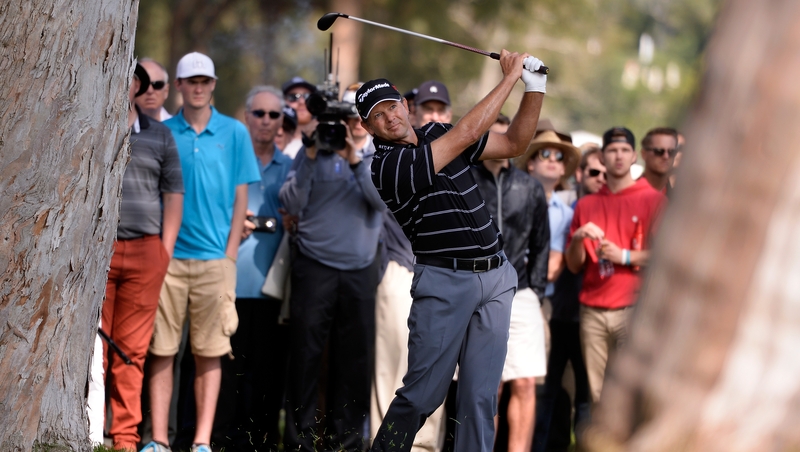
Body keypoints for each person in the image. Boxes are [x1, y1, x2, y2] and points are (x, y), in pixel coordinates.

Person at [359, 50, 547, 452]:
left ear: (404, 105)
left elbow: (515, 143)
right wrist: (510, 77)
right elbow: (462, 135)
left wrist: (535, 86)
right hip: (444, 284)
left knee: (480, 398)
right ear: (368, 126)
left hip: (495, 277)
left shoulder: (434, 132)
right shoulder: (386, 167)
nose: (389, 117)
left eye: (392, 106)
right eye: (377, 115)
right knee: (421, 396)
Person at [141, 52, 261, 452]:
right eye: (190, 81)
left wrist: (228, 256)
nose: (198, 87)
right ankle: (158, 439)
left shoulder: (235, 133)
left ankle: (201, 443)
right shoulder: (162, 132)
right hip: (169, 260)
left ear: (212, 85)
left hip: (215, 261)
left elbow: (241, 197)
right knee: (161, 350)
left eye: (204, 81)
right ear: (178, 86)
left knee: (210, 353)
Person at [279, 83, 386, 451]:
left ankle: (348, 443)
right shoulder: (315, 150)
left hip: (360, 270)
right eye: (352, 113)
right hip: (314, 268)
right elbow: (290, 202)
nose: (357, 120)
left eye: (364, 114)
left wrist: (355, 158)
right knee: (305, 358)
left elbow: (381, 204)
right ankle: (299, 443)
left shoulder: (380, 155)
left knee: (354, 362)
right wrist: (310, 156)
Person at [95, 63, 184, 452]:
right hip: (99, 256)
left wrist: (164, 251)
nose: (128, 83)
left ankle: (125, 438)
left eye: (135, 79)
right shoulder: (94, 126)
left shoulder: (160, 134)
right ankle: (90, 429)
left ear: (137, 86)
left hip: (147, 251)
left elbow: (174, 194)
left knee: (131, 350)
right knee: (94, 349)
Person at [212, 85, 293, 451]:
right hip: (228, 282)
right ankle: (219, 440)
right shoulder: (225, 161)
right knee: (224, 371)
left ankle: (260, 442)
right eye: (258, 113)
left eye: (273, 115)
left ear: (281, 122)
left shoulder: (291, 168)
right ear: (246, 116)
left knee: (266, 373)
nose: (265, 121)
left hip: (271, 287)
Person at [564, 127, 665, 404]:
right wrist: (578, 237)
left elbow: (665, 256)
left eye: (624, 150)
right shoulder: (587, 204)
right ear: (602, 156)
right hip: (592, 311)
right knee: (597, 396)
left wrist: (626, 257)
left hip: (633, 308)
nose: (618, 156)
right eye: (612, 150)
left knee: (629, 394)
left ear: (634, 156)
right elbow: (574, 266)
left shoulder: (653, 199)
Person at [471, 114, 550, 452]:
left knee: (526, 382)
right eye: (496, 135)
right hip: (476, 291)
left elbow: (541, 243)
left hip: (521, 293)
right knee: (489, 385)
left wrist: (535, 287)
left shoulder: (529, 187)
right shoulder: (466, 180)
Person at [532, 148, 600, 452]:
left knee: (585, 396)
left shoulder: (589, 208)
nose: (599, 178)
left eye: (604, 173)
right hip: (556, 314)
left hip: (589, 315)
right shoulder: (570, 208)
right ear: (580, 174)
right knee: (546, 391)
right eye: (593, 172)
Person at [280, 76, 317, 158]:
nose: (302, 102)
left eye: (307, 96)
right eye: (293, 97)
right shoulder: (275, 139)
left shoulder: (324, 140)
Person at [639, 127, 679, 193]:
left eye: (671, 152)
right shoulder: (627, 193)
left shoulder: (680, 197)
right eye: (658, 151)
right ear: (644, 154)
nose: (666, 156)